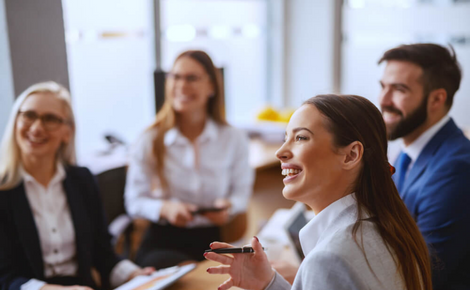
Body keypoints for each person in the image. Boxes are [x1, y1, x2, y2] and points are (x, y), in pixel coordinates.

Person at [205, 94, 432, 290]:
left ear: (351, 155)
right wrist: (268, 282)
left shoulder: (329, 258)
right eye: (286, 139)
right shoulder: (387, 228)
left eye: (301, 138)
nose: (281, 152)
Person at [0, 82, 154, 290]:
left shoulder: (82, 180)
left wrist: (136, 274)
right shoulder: (3, 191)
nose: (36, 128)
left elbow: (103, 254)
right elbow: (4, 277)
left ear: (67, 131)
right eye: (28, 115)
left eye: (50, 119)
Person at [124, 50, 254, 269]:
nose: (181, 85)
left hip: (212, 240)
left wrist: (228, 207)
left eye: (191, 78)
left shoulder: (234, 138)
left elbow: (242, 193)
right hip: (162, 243)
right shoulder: (149, 139)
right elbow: (134, 201)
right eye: (175, 77)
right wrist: (165, 209)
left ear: (212, 86)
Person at [378, 43, 470, 289]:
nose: (383, 100)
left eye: (399, 89)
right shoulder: (406, 154)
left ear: (437, 99)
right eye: (383, 87)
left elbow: (421, 272)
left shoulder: (456, 168)